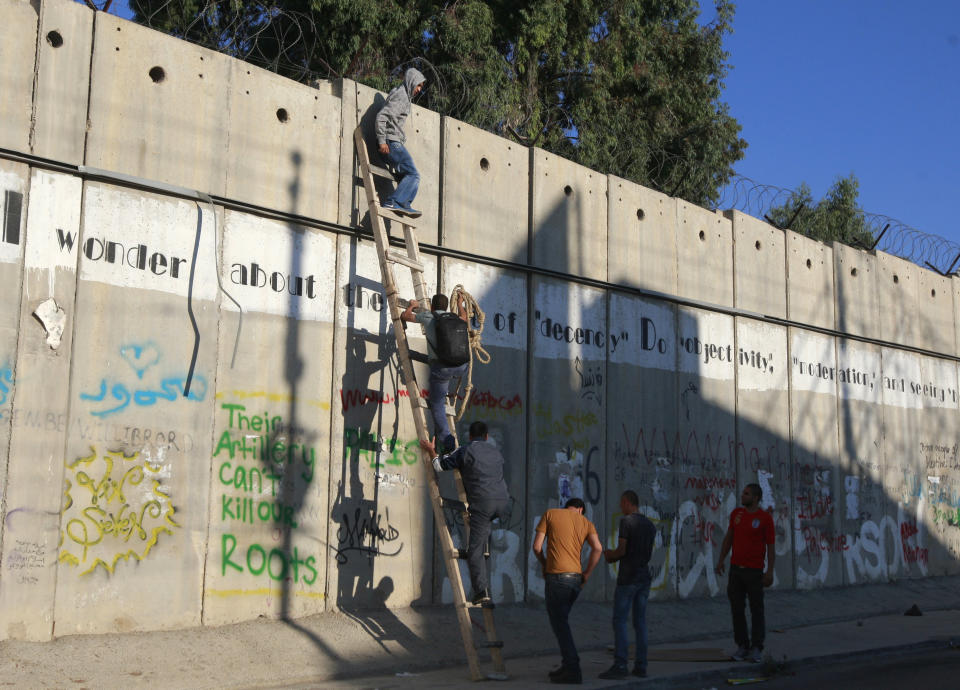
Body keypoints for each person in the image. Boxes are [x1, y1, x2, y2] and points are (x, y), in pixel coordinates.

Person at [420, 421, 510, 605]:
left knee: (474, 551)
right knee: (482, 532)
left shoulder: (465, 451)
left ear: (470, 436)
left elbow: (439, 466)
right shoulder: (496, 452)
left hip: (483, 503)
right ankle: (483, 544)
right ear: (486, 436)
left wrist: (431, 450)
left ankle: (481, 591)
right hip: (502, 502)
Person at [532, 498, 603, 685]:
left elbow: (537, 547)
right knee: (562, 621)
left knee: (560, 625)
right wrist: (587, 573)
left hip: (556, 579)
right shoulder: (587, 523)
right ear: (580, 510)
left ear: (570, 507)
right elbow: (598, 548)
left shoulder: (551, 514)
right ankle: (567, 665)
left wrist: (544, 563)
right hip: (575, 580)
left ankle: (572, 668)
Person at [715, 483, 776, 664]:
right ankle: (742, 644)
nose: (743, 496)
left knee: (756, 609)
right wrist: (721, 560)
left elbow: (770, 547)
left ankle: (757, 647)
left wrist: (769, 571)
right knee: (737, 609)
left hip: (754, 571)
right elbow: (729, 538)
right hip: (736, 570)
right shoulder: (737, 515)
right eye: (743, 493)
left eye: (746, 494)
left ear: (755, 498)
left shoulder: (764, 519)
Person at [599, 490, 657, 680]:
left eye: (621, 503)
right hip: (644, 577)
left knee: (620, 621)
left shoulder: (626, 522)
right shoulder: (649, 525)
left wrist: (609, 555)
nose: (620, 507)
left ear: (626, 502)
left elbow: (622, 550)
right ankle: (641, 665)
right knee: (640, 623)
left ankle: (621, 664)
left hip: (628, 578)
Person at [401, 293, 468, 453]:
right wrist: (460, 303)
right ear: (445, 307)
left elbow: (405, 316)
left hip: (442, 368)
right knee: (441, 384)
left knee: (437, 404)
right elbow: (464, 317)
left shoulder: (428, 316)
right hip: (461, 366)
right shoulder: (454, 318)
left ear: (432, 306)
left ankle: (447, 440)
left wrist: (412, 305)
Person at [375, 67, 426, 218]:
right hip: (391, 142)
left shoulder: (403, 95)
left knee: (408, 175)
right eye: (418, 85)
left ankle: (403, 203)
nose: (418, 89)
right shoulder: (402, 96)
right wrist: (382, 141)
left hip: (393, 141)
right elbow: (381, 117)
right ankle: (394, 201)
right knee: (413, 174)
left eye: (421, 87)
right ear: (412, 81)